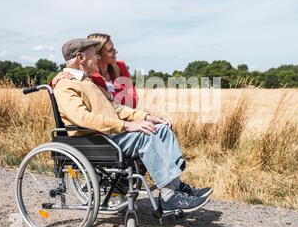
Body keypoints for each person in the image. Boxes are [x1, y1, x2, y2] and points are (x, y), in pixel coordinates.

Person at [54, 38, 213, 212]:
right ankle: (170, 197)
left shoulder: (86, 82)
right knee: (146, 136)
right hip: (95, 139)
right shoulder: (66, 85)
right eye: (94, 54)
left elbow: (115, 109)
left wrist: (147, 117)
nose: (98, 59)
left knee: (161, 129)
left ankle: (175, 187)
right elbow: (82, 118)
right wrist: (126, 126)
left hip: (109, 135)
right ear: (81, 57)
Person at [51, 33, 138, 108]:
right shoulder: (87, 75)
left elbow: (133, 102)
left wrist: (109, 95)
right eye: (110, 50)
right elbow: (56, 90)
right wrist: (57, 77)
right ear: (97, 54)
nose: (116, 51)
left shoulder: (120, 66)